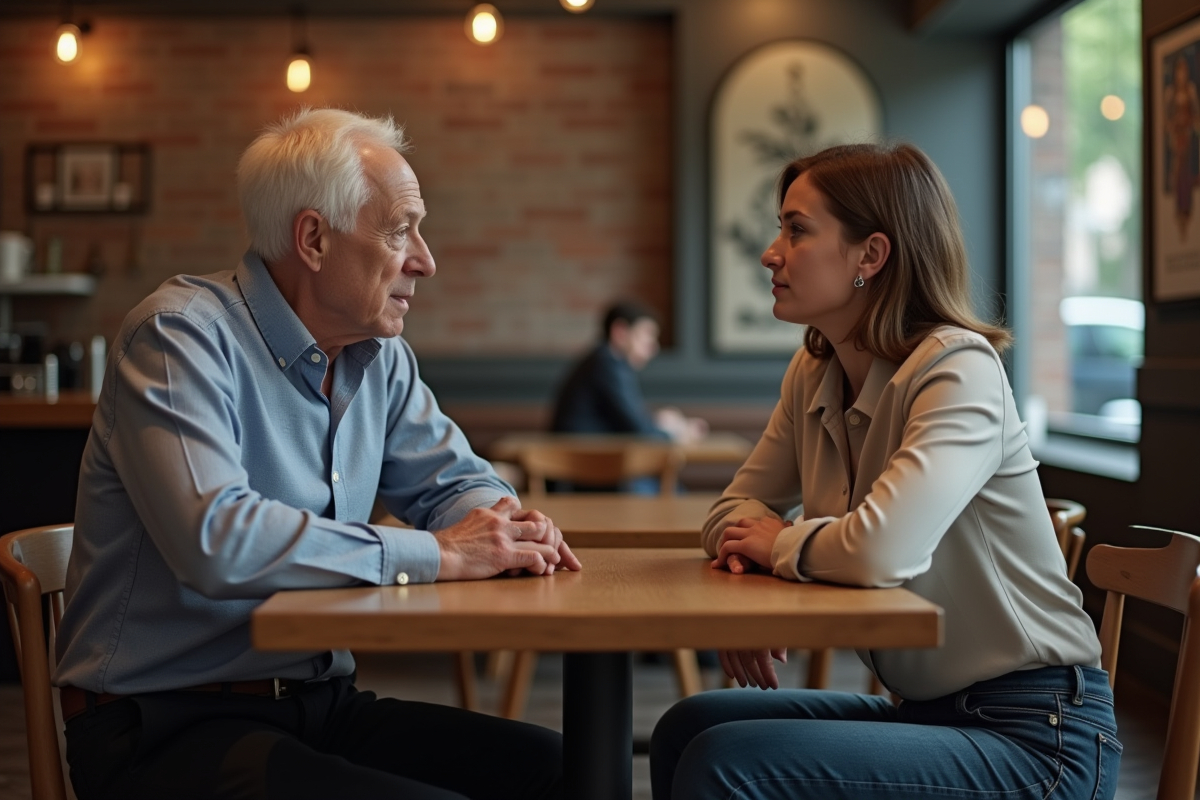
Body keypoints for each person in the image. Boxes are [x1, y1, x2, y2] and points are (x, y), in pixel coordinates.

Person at [53, 108, 579, 800]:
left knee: (574, 772)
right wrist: (443, 555)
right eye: (400, 231)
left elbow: (453, 483)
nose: (425, 259)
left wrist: (505, 527)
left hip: (319, 704)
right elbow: (216, 538)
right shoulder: (179, 337)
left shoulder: (380, 358)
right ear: (313, 239)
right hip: (164, 724)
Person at [650, 143, 1119, 800]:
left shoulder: (960, 370)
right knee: (689, 725)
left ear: (870, 256)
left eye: (796, 229)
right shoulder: (814, 371)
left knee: (726, 760)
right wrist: (753, 554)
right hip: (930, 712)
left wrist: (776, 543)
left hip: (1038, 735)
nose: (771, 252)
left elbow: (880, 550)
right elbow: (731, 513)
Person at [551, 301, 706, 443]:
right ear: (620, 333)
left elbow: (628, 421)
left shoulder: (602, 361)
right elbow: (640, 431)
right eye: (647, 336)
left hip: (584, 461)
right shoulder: (608, 365)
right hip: (581, 466)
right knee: (656, 472)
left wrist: (657, 421)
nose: (653, 348)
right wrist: (678, 434)